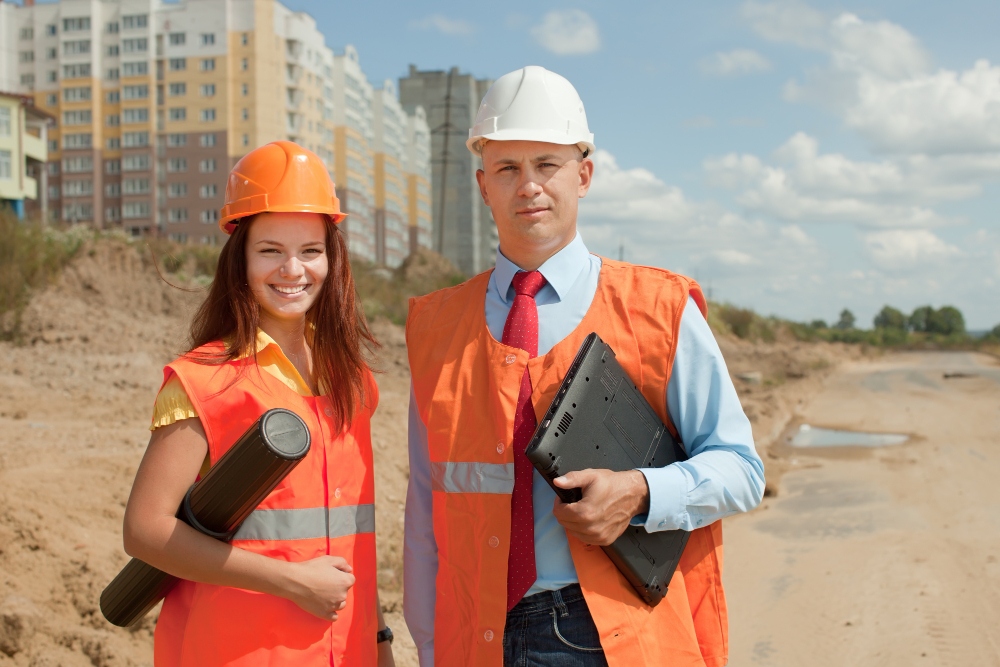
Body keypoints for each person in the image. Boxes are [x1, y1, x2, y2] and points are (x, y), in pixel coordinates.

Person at [403, 66, 765, 666]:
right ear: (482, 185)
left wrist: (640, 490)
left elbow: (741, 469)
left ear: (584, 174)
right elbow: (424, 503)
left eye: (547, 164)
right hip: (476, 634)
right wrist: (433, 646)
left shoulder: (659, 309)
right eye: (507, 169)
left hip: (608, 636)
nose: (529, 187)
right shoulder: (435, 326)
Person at [122, 141, 395, 666]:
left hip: (345, 651)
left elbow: (347, 534)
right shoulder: (204, 380)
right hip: (238, 650)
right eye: (271, 249)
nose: (293, 269)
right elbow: (145, 530)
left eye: (311, 251)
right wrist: (291, 581)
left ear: (332, 259)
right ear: (241, 258)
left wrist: (379, 639)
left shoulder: (352, 381)